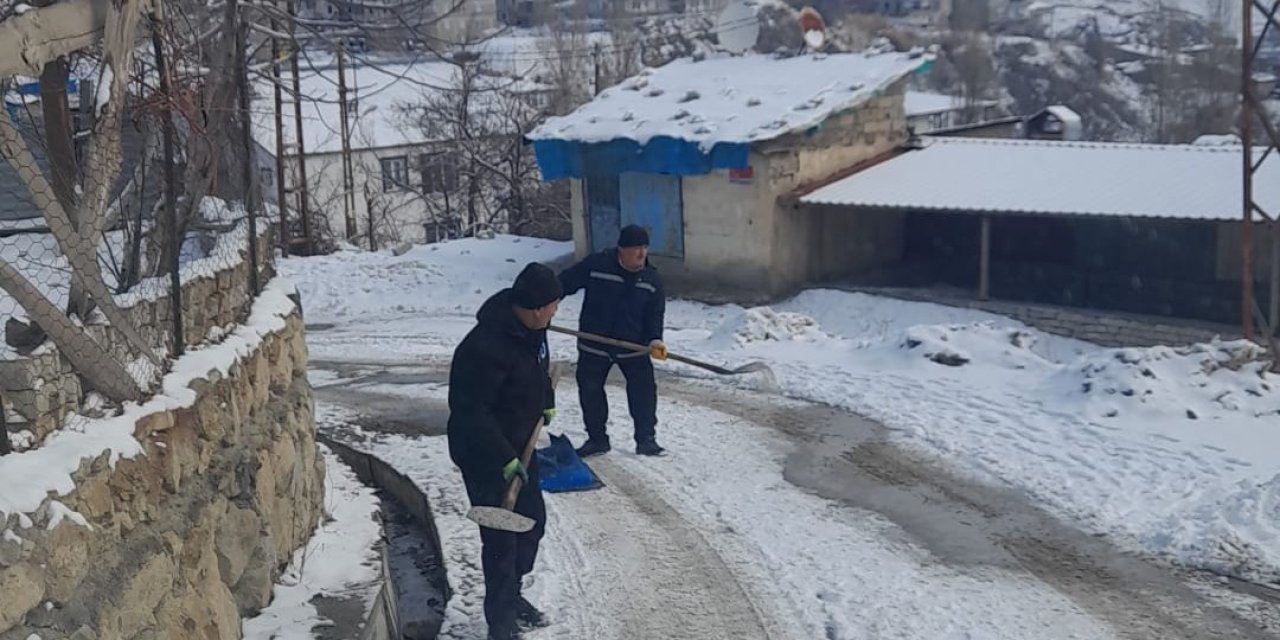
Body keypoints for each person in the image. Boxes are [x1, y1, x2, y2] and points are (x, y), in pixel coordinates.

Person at [447, 262, 562, 640]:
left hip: (520, 452)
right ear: (534, 308)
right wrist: (502, 458)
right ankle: (500, 622)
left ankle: (511, 597)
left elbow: (538, 370)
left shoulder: (531, 333)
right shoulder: (483, 348)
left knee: (532, 525)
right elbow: (469, 412)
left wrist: (545, 399)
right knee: (500, 540)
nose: (555, 313)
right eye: (552, 306)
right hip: (485, 455)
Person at [559, 224, 668, 458]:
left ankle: (646, 439)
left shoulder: (651, 280)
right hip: (594, 343)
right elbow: (565, 283)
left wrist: (655, 340)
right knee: (590, 390)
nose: (641, 254)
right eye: (636, 249)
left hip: (633, 347)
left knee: (644, 391)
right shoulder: (597, 266)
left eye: (645, 248)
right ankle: (597, 439)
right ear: (621, 250)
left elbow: (654, 316)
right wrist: (541, 301)